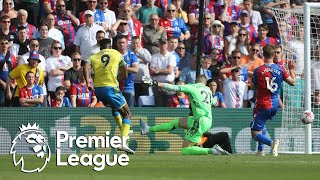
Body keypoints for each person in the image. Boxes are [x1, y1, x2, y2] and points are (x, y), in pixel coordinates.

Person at [140, 75, 230, 155]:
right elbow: (215, 102)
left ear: (196, 81)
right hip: (204, 119)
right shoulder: (208, 90)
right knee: (176, 123)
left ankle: (212, 150)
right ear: (205, 83)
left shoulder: (192, 87)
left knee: (185, 149)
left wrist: (155, 83)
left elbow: (173, 87)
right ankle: (148, 129)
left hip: (200, 121)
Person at [84, 38, 134, 154]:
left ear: (100, 48)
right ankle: (123, 142)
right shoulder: (117, 54)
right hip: (111, 88)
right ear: (110, 46)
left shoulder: (94, 56)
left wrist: (88, 81)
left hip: (98, 90)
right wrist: (117, 79)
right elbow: (125, 72)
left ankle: (123, 129)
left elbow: (86, 66)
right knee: (127, 114)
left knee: (114, 107)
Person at [250, 44, 296, 157]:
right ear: (273, 54)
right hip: (275, 104)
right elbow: (293, 82)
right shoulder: (280, 69)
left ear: (262, 55)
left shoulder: (258, 70)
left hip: (262, 104)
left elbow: (252, 87)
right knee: (262, 124)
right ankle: (260, 151)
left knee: (255, 133)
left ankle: (271, 143)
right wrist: (291, 69)